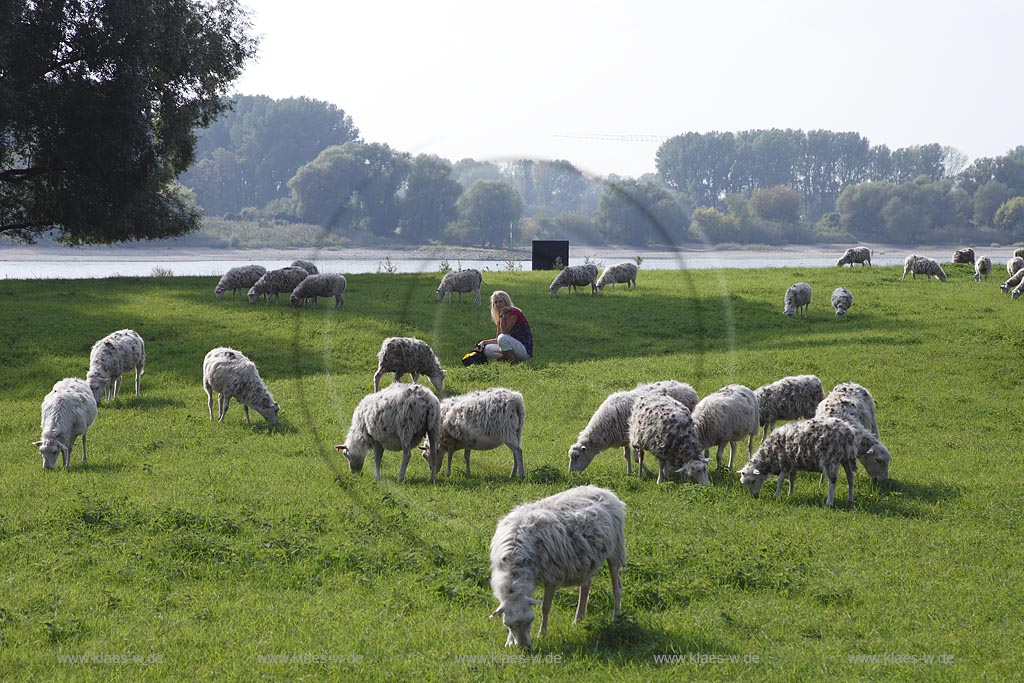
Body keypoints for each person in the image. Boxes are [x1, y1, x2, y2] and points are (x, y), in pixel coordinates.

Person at [477, 290, 533, 363]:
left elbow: (504, 332)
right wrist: (484, 342)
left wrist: (502, 315)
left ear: (506, 302)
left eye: (500, 301)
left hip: (523, 349)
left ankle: (512, 362)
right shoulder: (501, 318)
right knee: (487, 349)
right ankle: (508, 359)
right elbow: (498, 339)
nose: (498, 304)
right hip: (511, 346)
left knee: (503, 337)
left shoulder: (514, 312)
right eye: (495, 302)